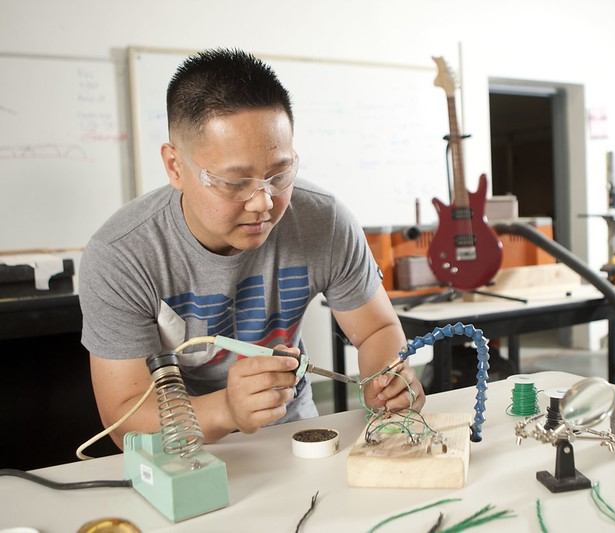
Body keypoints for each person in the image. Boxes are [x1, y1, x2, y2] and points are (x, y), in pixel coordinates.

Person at [79, 48, 425, 449]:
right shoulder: (122, 254)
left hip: (294, 435)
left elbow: (377, 329)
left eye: (280, 174)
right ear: (175, 166)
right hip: (179, 451)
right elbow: (123, 421)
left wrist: (386, 383)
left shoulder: (323, 220)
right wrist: (226, 410)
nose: (263, 202)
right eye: (234, 182)